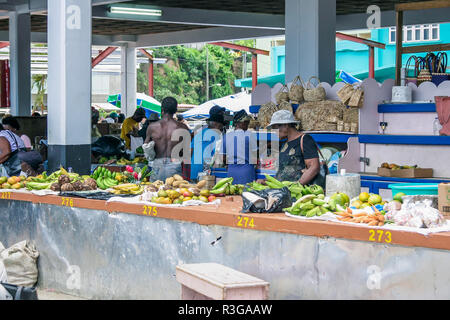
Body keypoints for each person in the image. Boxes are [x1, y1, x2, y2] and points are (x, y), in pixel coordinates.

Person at [264, 110, 320, 185]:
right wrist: (267, 182)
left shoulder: (305, 140)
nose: (274, 131)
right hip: (283, 190)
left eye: (275, 127)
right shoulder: (285, 144)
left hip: (297, 192)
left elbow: (314, 167)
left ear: (286, 125)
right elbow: (283, 172)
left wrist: (297, 185)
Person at [144, 97, 190, 181]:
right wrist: (186, 176)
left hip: (157, 164)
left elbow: (146, 148)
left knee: (154, 191)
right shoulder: (183, 127)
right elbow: (186, 154)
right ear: (175, 110)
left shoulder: (152, 127)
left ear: (162, 109)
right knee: (173, 193)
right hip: (175, 165)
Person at [190, 106, 226, 182]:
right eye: (221, 126)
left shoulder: (199, 133)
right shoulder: (217, 135)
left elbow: (191, 151)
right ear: (217, 124)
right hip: (206, 173)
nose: (221, 128)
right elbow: (218, 156)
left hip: (194, 170)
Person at [221, 110, 256, 185]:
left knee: (233, 194)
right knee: (248, 195)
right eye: (246, 122)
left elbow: (223, 158)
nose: (247, 124)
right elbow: (255, 156)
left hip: (231, 172)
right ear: (240, 123)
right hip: (246, 172)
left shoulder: (226, 136)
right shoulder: (249, 135)